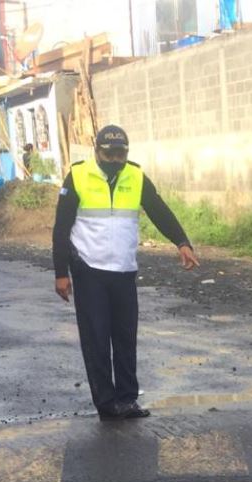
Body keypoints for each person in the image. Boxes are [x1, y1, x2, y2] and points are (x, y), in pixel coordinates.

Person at [52, 125, 199, 420]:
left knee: (124, 337)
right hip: (89, 269)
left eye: (121, 154)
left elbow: (159, 209)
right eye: (111, 154)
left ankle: (128, 400)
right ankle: (106, 403)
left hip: (123, 270)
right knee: (96, 338)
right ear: (97, 151)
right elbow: (61, 227)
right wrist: (61, 273)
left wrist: (181, 242)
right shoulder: (78, 176)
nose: (117, 160)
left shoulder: (135, 175)